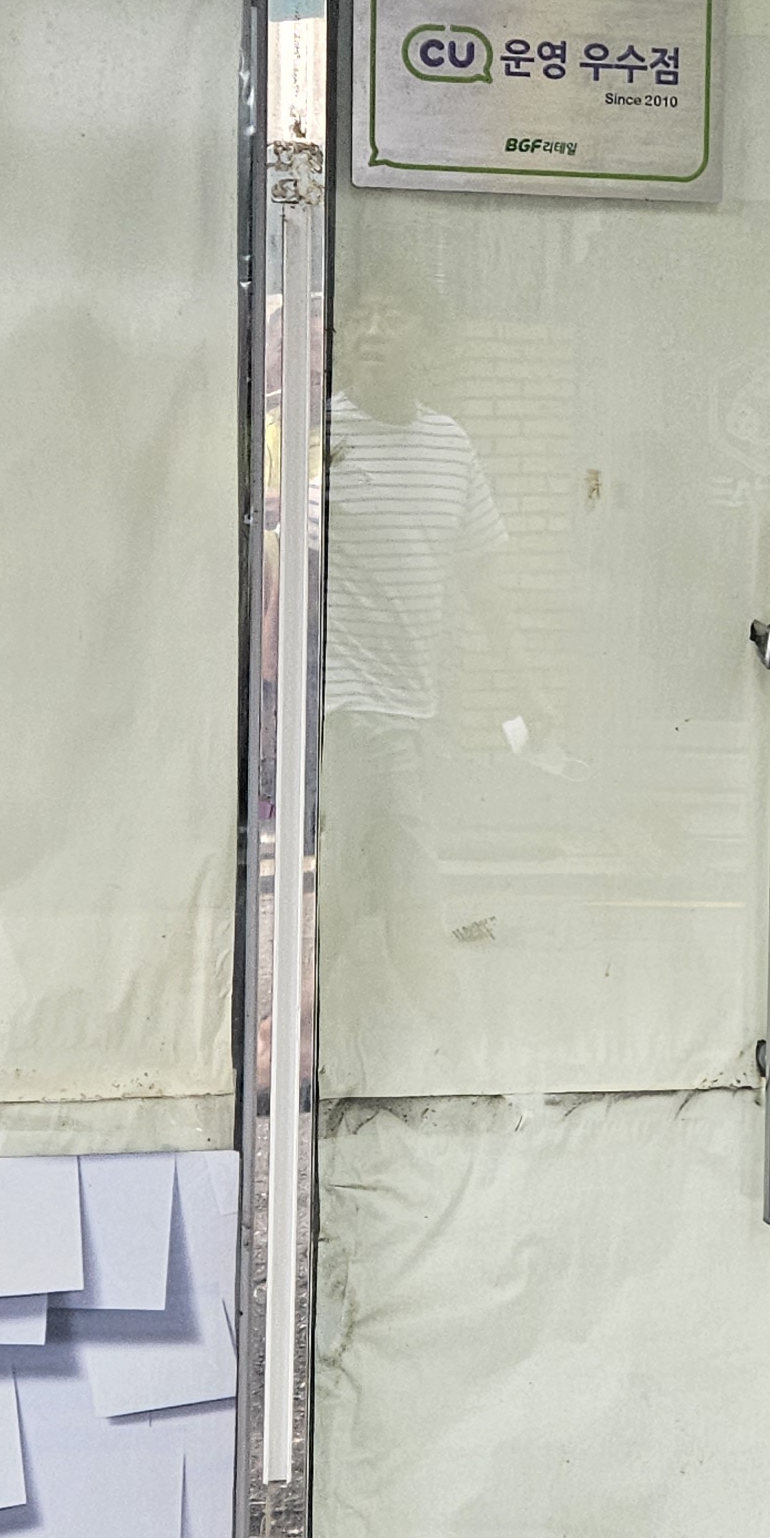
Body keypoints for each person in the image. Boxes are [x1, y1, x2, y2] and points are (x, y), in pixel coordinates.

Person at [322, 294, 506, 1050]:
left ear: (428, 341)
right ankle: (460, 1055)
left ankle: (303, 1036)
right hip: (347, 707)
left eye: (392, 317)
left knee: (350, 888)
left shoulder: (448, 445)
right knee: (409, 889)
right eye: (361, 316)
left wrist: (524, 687)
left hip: (414, 706)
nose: (371, 330)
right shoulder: (319, 433)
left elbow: (481, 574)